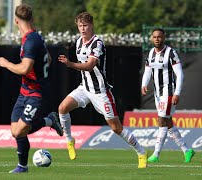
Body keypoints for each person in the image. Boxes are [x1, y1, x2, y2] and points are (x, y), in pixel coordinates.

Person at [57, 12, 147, 168]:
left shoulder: (97, 43)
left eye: (85, 25)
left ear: (91, 25)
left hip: (101, 93)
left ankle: (141, 152)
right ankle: (69, 140)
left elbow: (90, 65)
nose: (82, 28)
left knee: (116, 128)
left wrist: (70, 64)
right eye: (80, 26)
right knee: (62, 108)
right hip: (84, 88)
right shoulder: (78, 42)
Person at [0, 4, 63, 173]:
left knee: (20, 130)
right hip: (25, 91)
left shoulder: (31, 41)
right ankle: (22, 166)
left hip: (36, 93)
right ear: (31, 19)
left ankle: (50, 120)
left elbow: (25, 68)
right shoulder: (35, 37)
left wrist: (6, 64)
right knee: (15, 131)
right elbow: (48, 58)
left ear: (16, 20)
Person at [141, 28, 195, 163]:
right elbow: (148, 71)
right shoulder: (151, 53)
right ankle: (186, 149)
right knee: (168, 123)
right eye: (154, 37)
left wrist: (177, 93)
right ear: (151, 38)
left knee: (162, 121)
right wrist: (144, 84)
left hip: (169, 92)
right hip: (157, 93)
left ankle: (156, 154)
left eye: (159, 37)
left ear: (164, 38)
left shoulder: (171, 53)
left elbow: (180, 74)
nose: (157, 39)